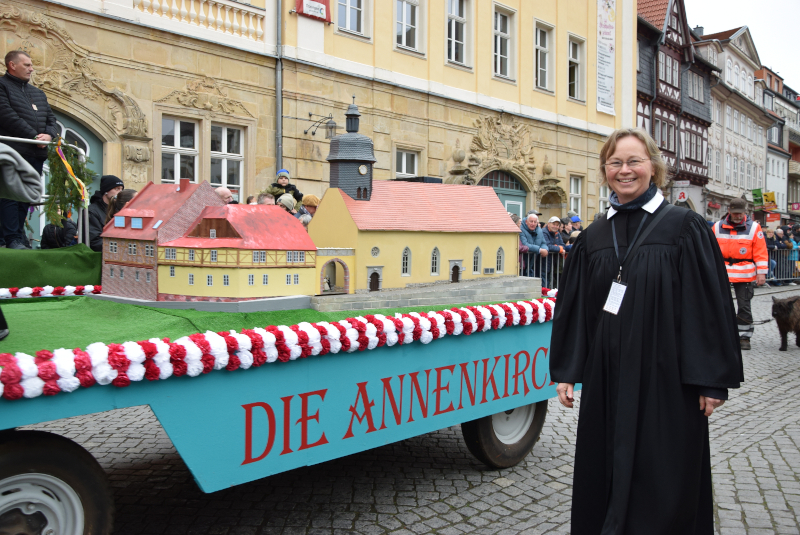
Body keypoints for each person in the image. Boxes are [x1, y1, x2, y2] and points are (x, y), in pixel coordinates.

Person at [551, 128, 742, 535]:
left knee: (665, 471)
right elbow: (577, 306)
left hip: (666, 375)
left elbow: (706, 305)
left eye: (634, 161)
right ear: (605, 171)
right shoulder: (594, 235)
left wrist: (710, 380)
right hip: (608, 376)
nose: (625, 170)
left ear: (653, 167)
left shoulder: (683, 227)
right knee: (606, 464)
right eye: (616, 162)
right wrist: (568, 368)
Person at [0, 50, 58, 249]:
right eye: (27, 65)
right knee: (9, 195)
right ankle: (11, 238)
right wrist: (33, 137)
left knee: (25, 196)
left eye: (31, 65)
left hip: (36, 154)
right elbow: (6, 115)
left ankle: (16, 236)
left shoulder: (38, 93)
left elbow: (52, 121)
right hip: (12, 151)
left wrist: (49, 135)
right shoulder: (2, 86)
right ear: (12, 65)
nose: (31, 69)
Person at [712, 198, 768, 350]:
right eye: (735, 213)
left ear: (745, 212)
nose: (737, 216)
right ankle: (722, 336)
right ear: (729, 211)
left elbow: (760, 252)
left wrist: (761, 273)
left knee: (744, 306)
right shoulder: (717, 227)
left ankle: (744, 337)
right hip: (722, 272)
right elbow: (709, 249)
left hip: (745, 273)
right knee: (720, 305)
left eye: (740, 213)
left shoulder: (754, 228)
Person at [88, 175, 124, 252]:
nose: (120, 192)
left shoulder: (119, 210)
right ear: (106, 191)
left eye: (121, 189)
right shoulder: (92, 211)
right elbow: (94, 241)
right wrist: (119, 249)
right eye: (117, 189)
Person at [519, 213, 547, 278]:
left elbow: (543, 242)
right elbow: (525, 244)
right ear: (526, 222)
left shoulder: (539, 230)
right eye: (531, 221)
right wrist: (539, 250)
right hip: (523, 261)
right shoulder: (521, 230)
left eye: (535, 222)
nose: (533, 224)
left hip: (533, 261)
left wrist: (545, 249)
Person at [542, 216, 567, 287]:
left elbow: (562, 245)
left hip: (553, 261)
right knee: (544, 278)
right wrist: (559, 249)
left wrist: (558, 247)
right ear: (548, 223)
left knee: (550, 279)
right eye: (553, 224)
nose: (555, 226)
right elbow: (548, 246)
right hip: (544, 260)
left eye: (557, 225)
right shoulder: (544, 232)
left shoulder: (557, 233)